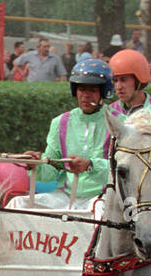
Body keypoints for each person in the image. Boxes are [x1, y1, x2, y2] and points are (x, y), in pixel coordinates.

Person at [33, 58, 113, 208]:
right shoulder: (60, 122)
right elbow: (50, 172)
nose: (86, 95)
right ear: (75, 90)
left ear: (104, 92)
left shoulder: (118, 123)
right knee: (17, 203)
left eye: (93, 90)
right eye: (82, 89)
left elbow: (123, 169)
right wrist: (34, 165)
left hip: (102, 198)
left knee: (100, 211)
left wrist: (90, 165)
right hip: (65, 196)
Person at [108, 49, 151, 120]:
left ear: (139, 81)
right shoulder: (111, 112)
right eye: (115, 80)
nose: (118, 87)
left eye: (123, 80)